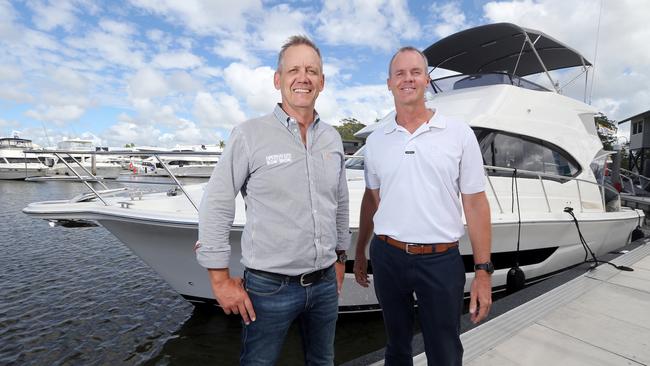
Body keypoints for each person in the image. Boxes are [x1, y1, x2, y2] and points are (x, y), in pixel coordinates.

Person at [196, 35, 350, 366]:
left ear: (321, 82)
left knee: (323, 361)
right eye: (293, 69)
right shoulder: (249, 135)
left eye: (311, 70)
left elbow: (339, 202)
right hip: (268, 289)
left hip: (324, 284)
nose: (303, 77)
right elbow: (217, 202)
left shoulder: (332, 138)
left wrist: (340, 257)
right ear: (278, 80)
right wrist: (219, 279)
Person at [353, 46, 492, 366]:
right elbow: (372, 197)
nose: (407, 79)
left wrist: (483, 271)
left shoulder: (458, 133)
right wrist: (361, 249)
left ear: (427, 80)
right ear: (389, 83)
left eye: (415, 72)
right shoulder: (376, 140)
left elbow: (475, 203)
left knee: (444, 352)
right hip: (387, 256)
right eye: (399, 73)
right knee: (396, 347)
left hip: (440, 260)